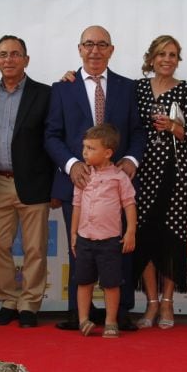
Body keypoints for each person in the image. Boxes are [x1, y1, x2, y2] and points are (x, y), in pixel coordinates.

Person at [44, 25, 147, 332]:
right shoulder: (62, 88)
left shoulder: (128, 87)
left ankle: (121, 312)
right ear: (79, 49)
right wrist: (72, 164)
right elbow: (51, 135)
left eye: (102, 45)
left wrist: (130, 160)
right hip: (78, 184)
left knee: (120, 250)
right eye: (89, 44)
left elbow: (139, 131)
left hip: (117, 185)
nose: (95, 50)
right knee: (80, 249)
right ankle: (80, 314)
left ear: (111, 50)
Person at [0, 35, 53, 328]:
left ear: (26, 59)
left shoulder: (45, 94)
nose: (8, 59)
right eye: (3, 54)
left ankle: (29, 306)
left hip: (34, 182)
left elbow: (51, 139)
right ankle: (8, 301)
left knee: (35, 248)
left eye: (15, 54)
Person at [132, 35, 187, 329]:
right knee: (145, 235)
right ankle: (151, 302)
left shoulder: (186, 90)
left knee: (172, 235)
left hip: (176, 172)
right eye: (162, 54)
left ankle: (168, 303)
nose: (167, 59)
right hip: (143, 171)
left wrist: (172, 125)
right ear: (151, 58)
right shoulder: (137, 88)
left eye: (173, 55)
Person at [72, 123, 138, 338]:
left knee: (111, 284)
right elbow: (77, 206)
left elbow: (129, 205)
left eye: (91, 148)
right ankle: (83, 320)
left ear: (108, 153)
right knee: (83, 282)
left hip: (109, 241)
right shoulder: (83, 176)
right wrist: (73, 233)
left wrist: (130, 232)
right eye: (84, 147)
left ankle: (111, 321)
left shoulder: (119, 178)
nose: (85, 152)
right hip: (84, 239)